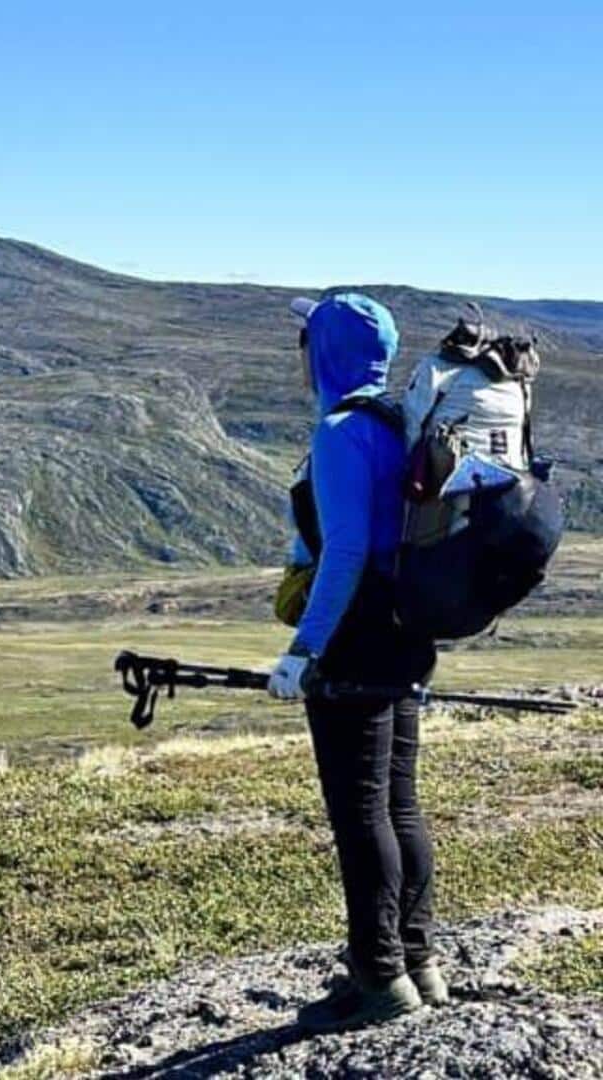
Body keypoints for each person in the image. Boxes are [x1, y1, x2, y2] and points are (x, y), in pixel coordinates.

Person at [268, 293, 442, 1033]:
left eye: (306, 340)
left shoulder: (342, 432)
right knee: (398, 802)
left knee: (361, 809)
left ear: (328, 350)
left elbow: (342, 551)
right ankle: (418, 964)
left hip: (355, 638)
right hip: (405, 632)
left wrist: (304, 648)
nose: (299, 354)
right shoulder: (399, 424)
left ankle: (377, 978)